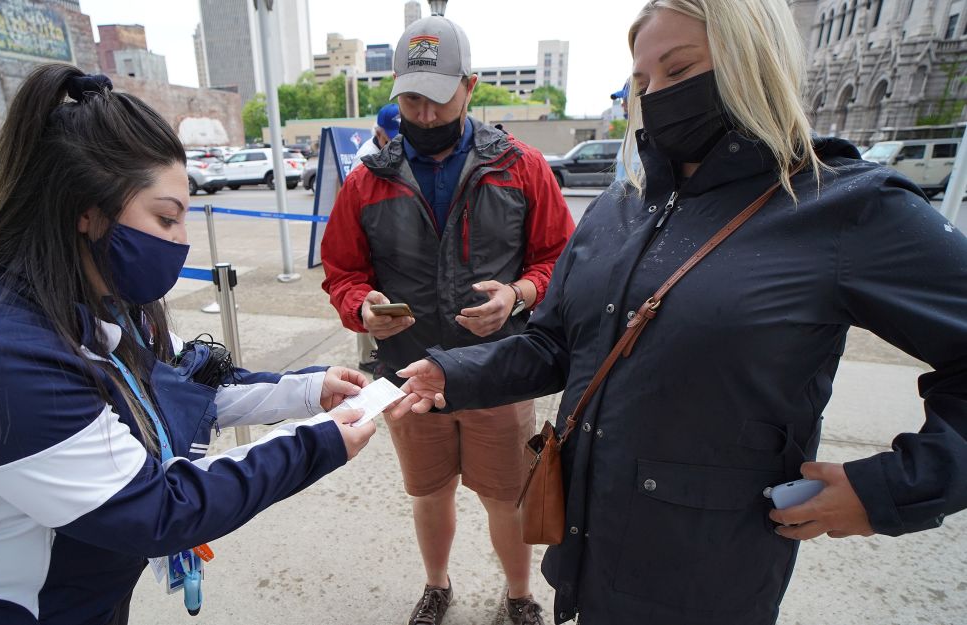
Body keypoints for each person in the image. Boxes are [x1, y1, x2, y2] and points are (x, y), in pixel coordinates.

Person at [393, 1, 967, 624]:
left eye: (680, 69)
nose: (659, 94)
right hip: (586, 552)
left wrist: (894, 488)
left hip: (702, 580)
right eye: (643, 82)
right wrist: (452, 374)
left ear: (756, 62)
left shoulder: (842, 206)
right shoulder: (618, 208)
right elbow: (556, 345)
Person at [0, 64, 376, 625]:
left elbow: (187, 383)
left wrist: (309, 391)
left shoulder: (97, 300)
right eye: (166, 218)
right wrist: (316, 444)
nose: (181, 242)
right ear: (88, 209)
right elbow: (154, 507)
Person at [321, 15, 575, 625]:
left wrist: (517, 295)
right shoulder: (365, 181)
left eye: (437, 98)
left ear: (469, 85)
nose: (425, 114)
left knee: (506, 497)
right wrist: (361, 308)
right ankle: (437, 586)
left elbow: (560, 259)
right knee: (428, 492)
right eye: (411, 98)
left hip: (499, 370)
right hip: (408, 372)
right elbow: (342, 272)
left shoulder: (520, 167)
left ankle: (520, 595)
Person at [350, 102, 403, 373]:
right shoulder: (365, 160)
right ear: (380, 133)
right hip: (372, 247)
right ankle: (370, 357)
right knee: (369, 303)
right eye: (392, 136)